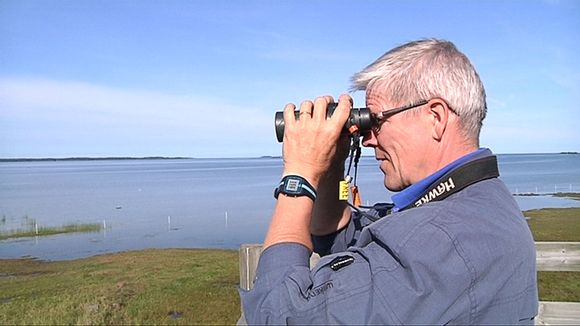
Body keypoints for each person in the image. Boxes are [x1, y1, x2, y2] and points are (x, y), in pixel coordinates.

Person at [240, 39, 538, 324]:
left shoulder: (440, 239)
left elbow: (277, 314)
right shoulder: (477, 202)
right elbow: (342, 240)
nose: (367, 139)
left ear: (436, 117)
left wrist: (300, 173)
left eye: (376, 120)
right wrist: (331, 166)